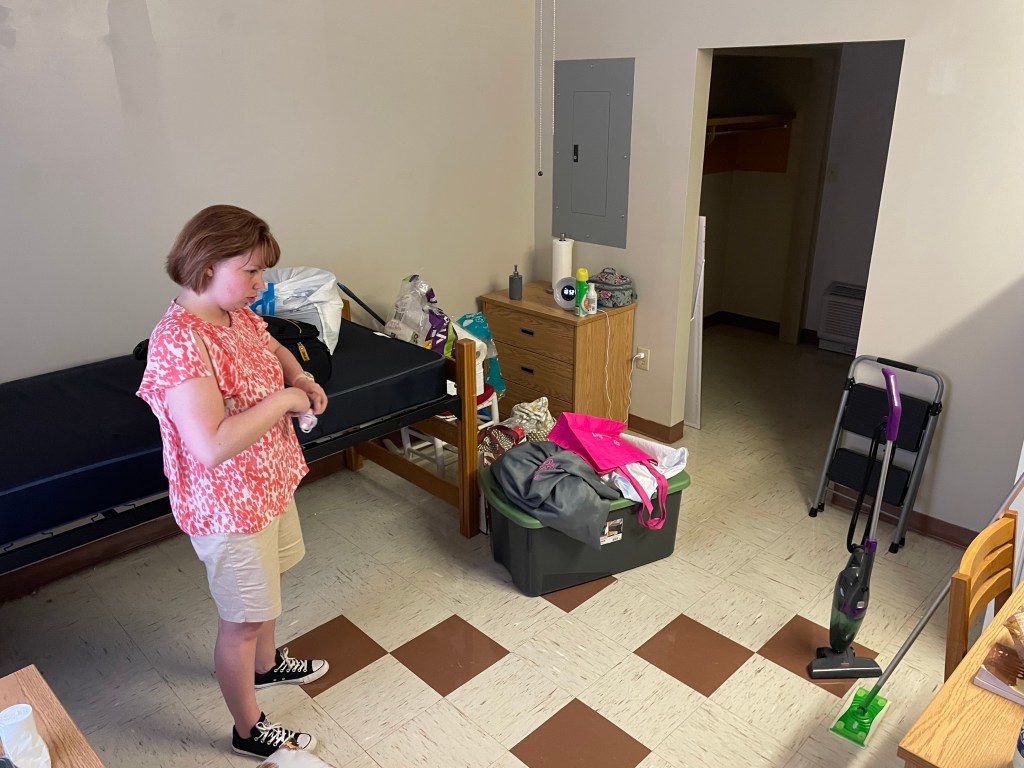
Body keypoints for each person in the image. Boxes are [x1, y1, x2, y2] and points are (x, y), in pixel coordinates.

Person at [137, 204, 330, 759]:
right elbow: (212, 444)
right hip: (228, 506)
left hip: (267, 482)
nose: (260, 284)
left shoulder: (235, 314)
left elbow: (271, 346)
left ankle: (266, 666)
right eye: (251, 271)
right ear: (206, 265)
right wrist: (286, 400)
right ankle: (247, 730)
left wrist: (301, 376)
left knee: (267, 589)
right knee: (242, 621)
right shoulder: (179, 341)